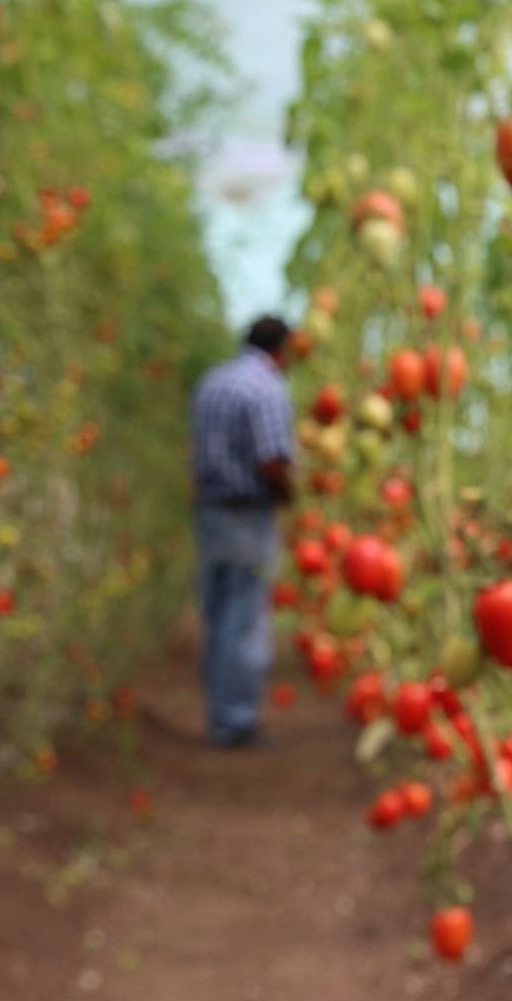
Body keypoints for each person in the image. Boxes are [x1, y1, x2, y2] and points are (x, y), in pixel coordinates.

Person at [189, 315, 296, 748]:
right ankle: (236, 721)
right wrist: (288, 492)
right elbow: (271, 458)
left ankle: (220, 714)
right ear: (281, 349)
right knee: (245, 619)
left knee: (218, 616)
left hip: (211, 511)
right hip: (247, 515)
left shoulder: (213, 382)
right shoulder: (266, 387)